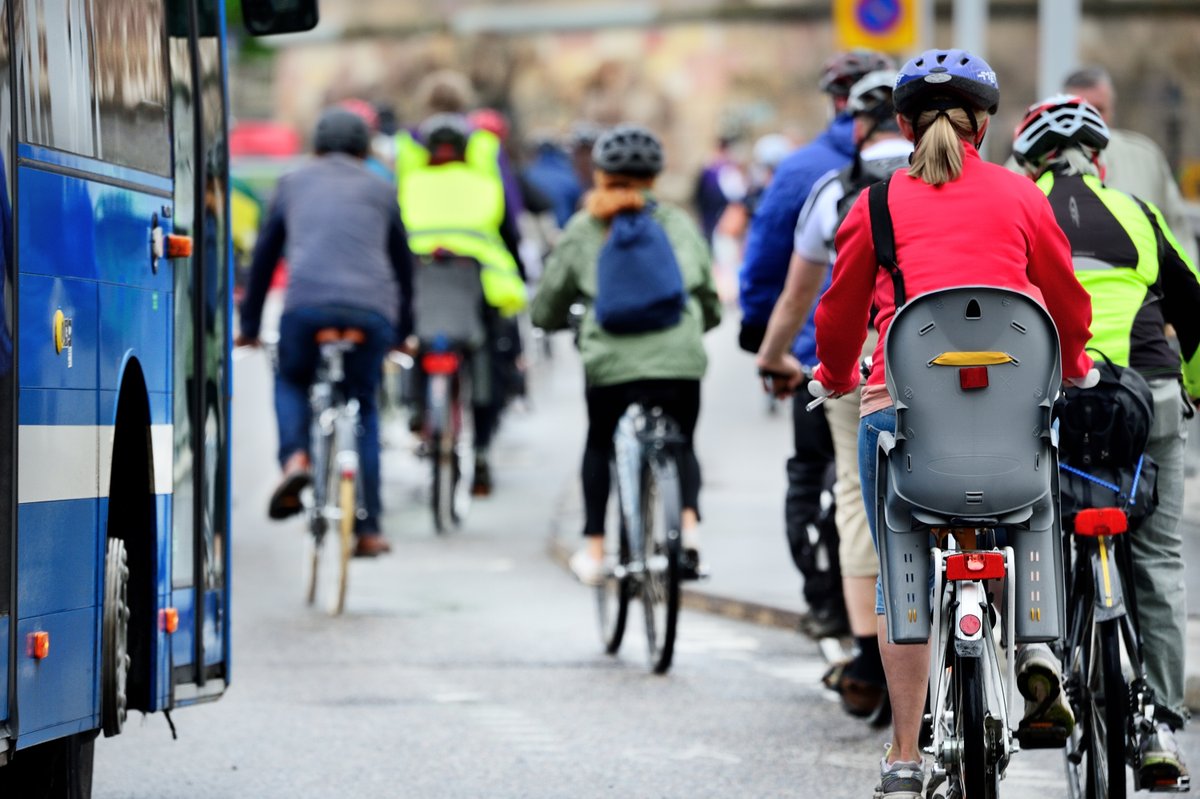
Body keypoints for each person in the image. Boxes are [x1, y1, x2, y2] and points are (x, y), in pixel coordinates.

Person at [805, 49, 1095, 797]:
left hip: (905, 426)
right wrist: (1077, 362)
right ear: (986, 125)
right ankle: (1037, 645)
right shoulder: (1023, 197)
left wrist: (836, 377)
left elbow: (837, 314)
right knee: (1034, 501)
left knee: (900, 563)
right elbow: (1063, 300)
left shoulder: (874, 206)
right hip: (1004, 430)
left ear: (902, 126)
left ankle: (903, 752)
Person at [1013, 93, 1200, 784]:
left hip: (1053, 395)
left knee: (1033, 521)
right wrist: (1195, 385)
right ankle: (1160, 724)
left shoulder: (1017, 207)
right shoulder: (1140, 213)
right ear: (1099, 158)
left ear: (1029, 160)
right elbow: (1194, 305)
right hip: (1144, 395)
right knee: (1157, 555)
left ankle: (1043, 662)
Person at [755, 69, 912, 723]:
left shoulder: (834, 191)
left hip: (872, 362)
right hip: (973, 358)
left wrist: (776, 357)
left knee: (856, 489)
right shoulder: (963, 182)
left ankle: (871, 659)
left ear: (855, 127)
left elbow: (803, 294)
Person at [738, 48, 893, 640]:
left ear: (845, 111)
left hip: (828, 355)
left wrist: (762, 343)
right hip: (950, 354)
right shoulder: (951, 172)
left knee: (826, 480)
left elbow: (772, 265)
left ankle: (836, 620)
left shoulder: (811, 173)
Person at [530, 125, 721, 586]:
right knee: (682, 441)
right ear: (655, 176)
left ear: (599, 174)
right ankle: (689, 529)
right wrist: (702, 324)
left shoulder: (583, 228)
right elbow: (708, 296)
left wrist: (552, 322)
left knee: (600, 442)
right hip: (678, 361)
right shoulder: (676, 223)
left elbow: (548, 304)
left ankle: (595, 549)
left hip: (611, 365)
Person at [237, 107, 414, 558]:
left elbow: (264, 259)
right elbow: (403, 265)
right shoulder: (381, 187)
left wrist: (251, 326)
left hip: (307, 307)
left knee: (293, 377)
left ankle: (296, 459)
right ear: (364, 148)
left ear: (316, 146)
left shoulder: (292, 183)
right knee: (364, 401)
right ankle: (369, 528)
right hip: (371, 312)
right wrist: (403, 331)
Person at [394, 110, 528, 496]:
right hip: (479, 283)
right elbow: (509, 232)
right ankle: (482, 451)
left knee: (414, 340)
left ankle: (417, 409)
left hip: (423, 281)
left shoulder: (411, 179)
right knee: (488, 355)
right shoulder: (483, 179)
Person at [1063, 66, 1197, 263]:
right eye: (1079, 109)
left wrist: (1190, 288)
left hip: (1143, 289)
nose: (1089, 118)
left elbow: (1177, 230)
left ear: (1112, 108)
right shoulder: (1028, 162)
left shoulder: (1145, 158)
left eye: (1098, 109)